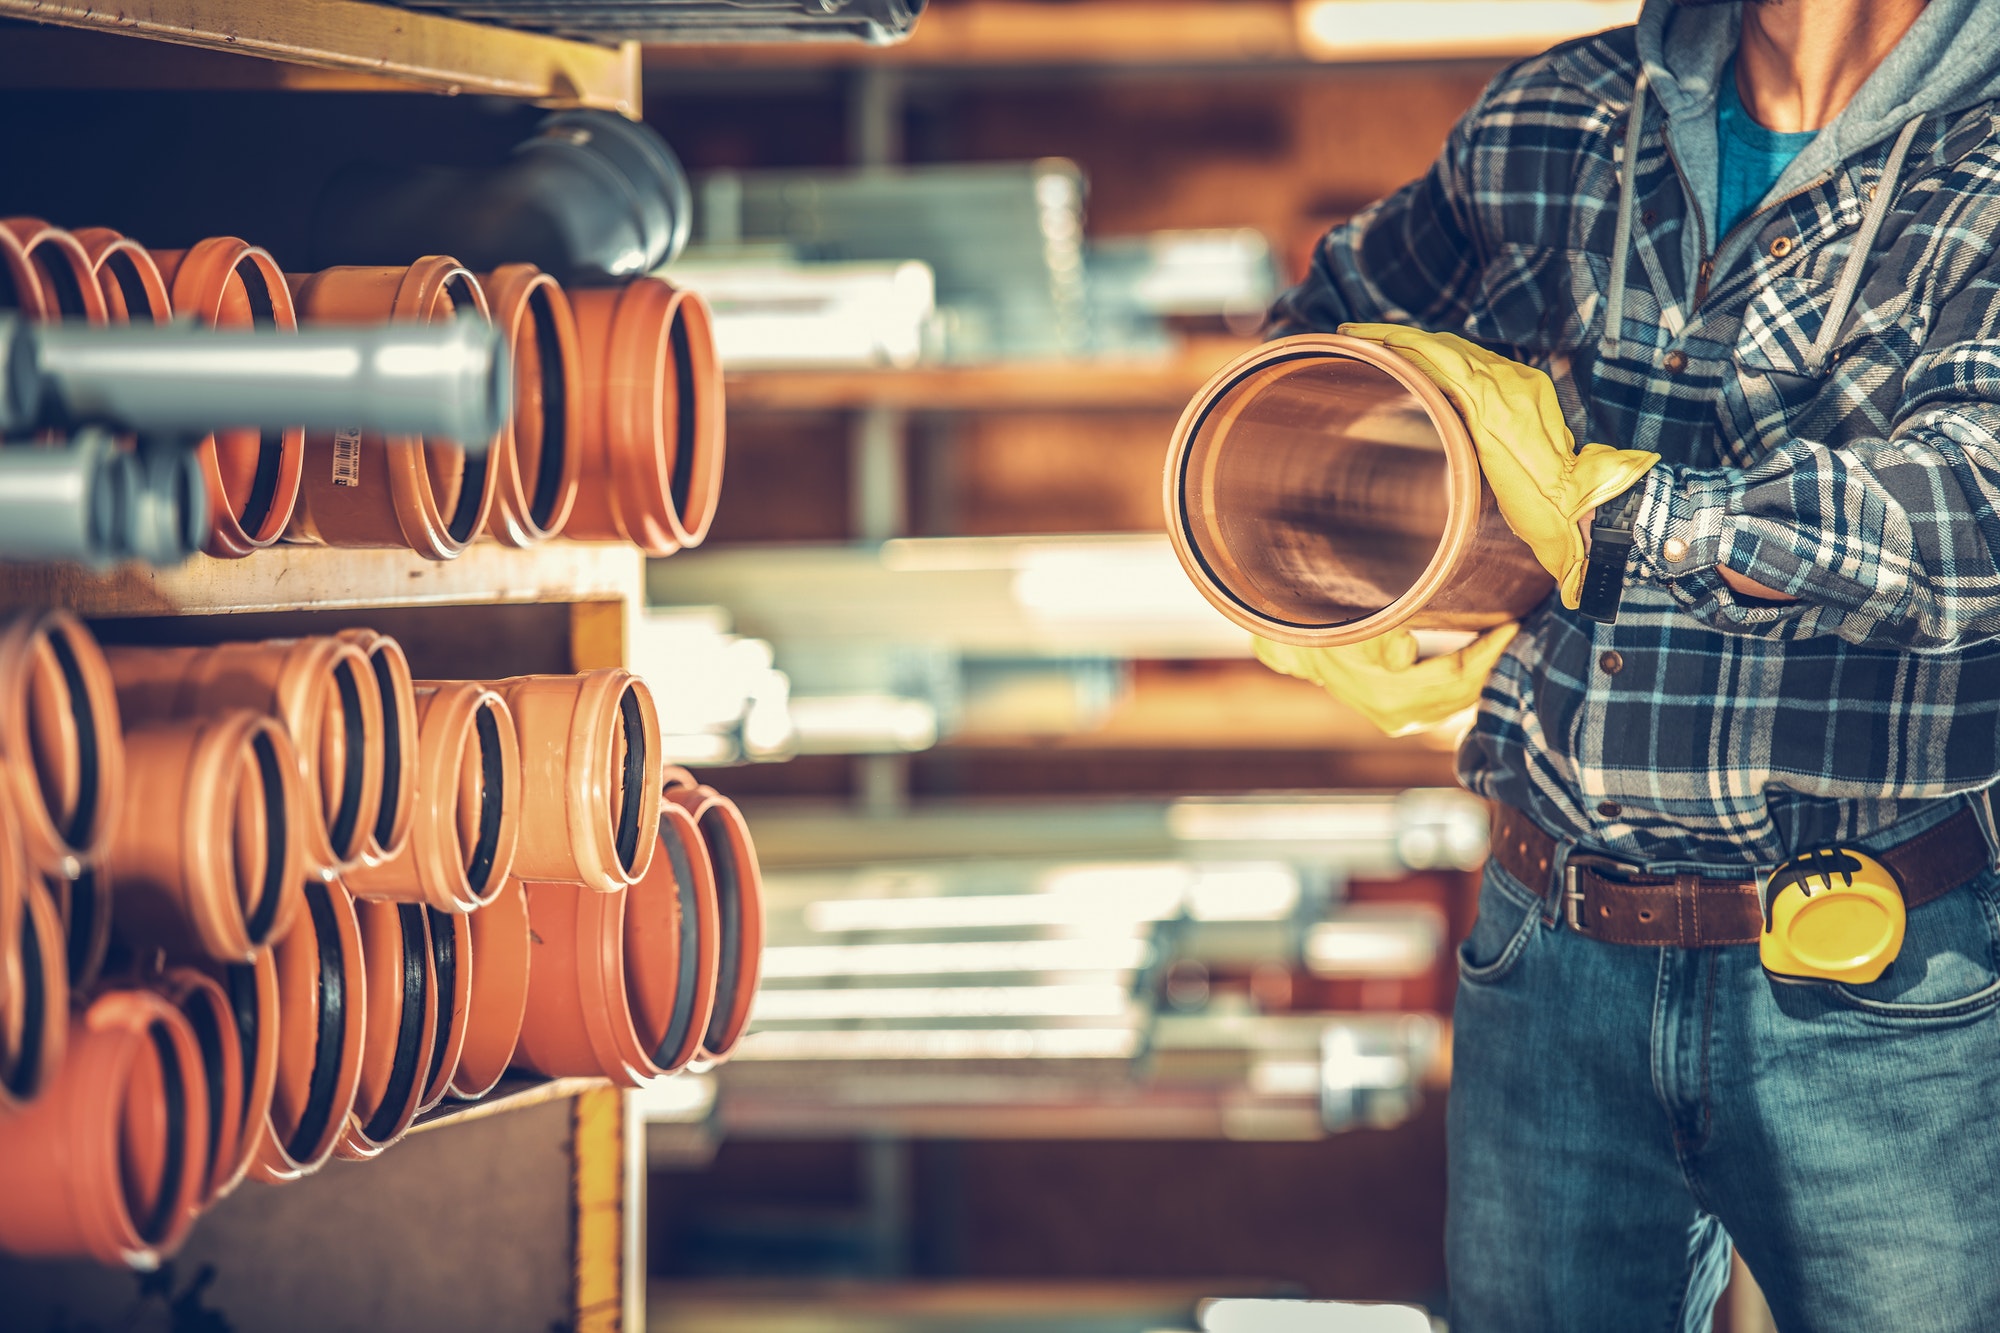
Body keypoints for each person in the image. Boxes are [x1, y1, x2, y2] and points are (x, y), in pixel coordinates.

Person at [1259, 0, 2000, 1328]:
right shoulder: (1563, 116)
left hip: (1881, 987)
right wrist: (1346, 549)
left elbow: (1965, 517)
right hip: (1553, 954)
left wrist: (1623, 510)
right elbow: (1320, 343)